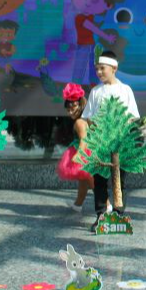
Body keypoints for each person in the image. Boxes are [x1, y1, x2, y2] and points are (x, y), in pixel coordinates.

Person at [81, 50, 140, 231]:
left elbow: (132, 116)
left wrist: (118, 129)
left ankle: (119, 213)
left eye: (102, 68)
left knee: (119, 179)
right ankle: (101, 214)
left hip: (120, 142)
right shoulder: (96, 91)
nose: (99, 72)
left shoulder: (125, 90)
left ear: (114, 68)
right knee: (99, 179)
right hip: (101, 143)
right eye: (97, 69)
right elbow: (88, 116)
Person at [56, 83, 98, 213]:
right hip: (87, 152)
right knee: (83, 180)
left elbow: (84, 139)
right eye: (68, 109)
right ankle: (78, 204)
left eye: (73, 107)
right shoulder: (84, 120)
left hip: (84, 153)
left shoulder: (79, 122)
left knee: (91, 180)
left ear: (81, 104)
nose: (70, 111)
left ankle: (106, 205)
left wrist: (79, 154)